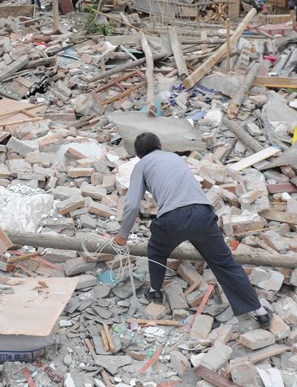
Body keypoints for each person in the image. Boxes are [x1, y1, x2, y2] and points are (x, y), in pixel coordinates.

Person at [113, 132, 270, 328]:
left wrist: (123, 235)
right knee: (225, 263)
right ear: (160, 144)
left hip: (172, 219)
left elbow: (132, 205)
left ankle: (155, 291)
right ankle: (259, 311)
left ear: (138, 155)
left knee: (156, 250)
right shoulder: (176, 158)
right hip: (202, 214)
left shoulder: (141, 165)